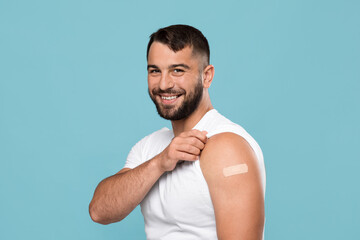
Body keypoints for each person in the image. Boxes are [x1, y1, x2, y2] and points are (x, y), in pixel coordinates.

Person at [89, 24, 266, 240]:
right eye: (155, 71)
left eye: (177, 70)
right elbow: (99, 211)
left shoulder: (226, 147)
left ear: (207, 76)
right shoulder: (150, 147)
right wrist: (160, 162)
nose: (164, 84)